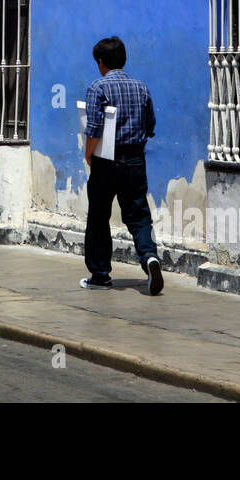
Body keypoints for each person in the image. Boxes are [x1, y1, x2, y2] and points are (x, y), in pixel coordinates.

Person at [80, 36, 163, 295]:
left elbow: (93, 128)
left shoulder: (98, 87)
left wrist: (88, 154)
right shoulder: (141, 88)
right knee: (138, 215)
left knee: (98, 217)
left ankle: (100, 275)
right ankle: (149, 257)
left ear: (101, 62)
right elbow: (150, 126)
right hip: (135, 159)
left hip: (106, 161)